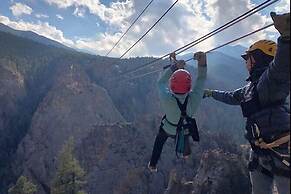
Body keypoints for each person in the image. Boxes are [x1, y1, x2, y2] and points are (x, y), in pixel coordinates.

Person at [203, 12, 290, 194]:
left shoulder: (271, 80)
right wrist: (211, 93)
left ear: (258, 58)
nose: (245, 63)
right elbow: (231, 96)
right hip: (259, 151)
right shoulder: (251, 88)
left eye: (248, 58)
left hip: (281, 151)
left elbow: (282, 64)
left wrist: (286, 37)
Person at [148, 51, 207, 172]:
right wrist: (202, 62)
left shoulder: (167, 98)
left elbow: (161, 83)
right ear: (189, 85)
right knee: (184, 136)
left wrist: (174, 67)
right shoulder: (194, 98)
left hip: (168, 128)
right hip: (183, 129)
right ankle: (186, 154)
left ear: (172, 84)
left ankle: (153, 164)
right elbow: (201, 78)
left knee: (159, 141)